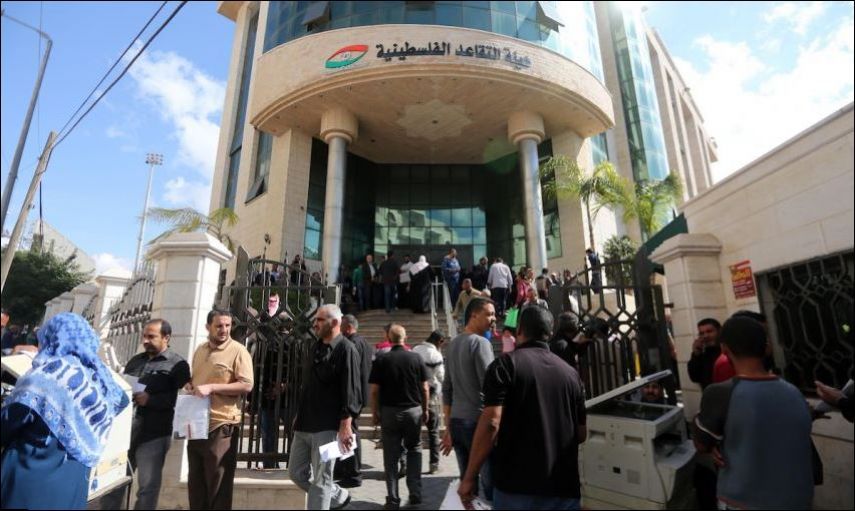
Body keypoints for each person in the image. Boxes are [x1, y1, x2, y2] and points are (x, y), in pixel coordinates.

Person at [458, 306, 587, 510]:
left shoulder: (504, 366)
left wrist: (469, 477)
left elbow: (492, 422)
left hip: (517, 488)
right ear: (550, 332)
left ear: (519, 330)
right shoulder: (572, 375)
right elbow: (580, 433)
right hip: (564, 488)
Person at [1, 313, 130, 510]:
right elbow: (122, 400)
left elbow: (8, 423)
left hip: (30, 481)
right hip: (73, 484)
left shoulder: (45, 376)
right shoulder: (98, 377)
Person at [693, 315, 813, 510]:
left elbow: (701, 444)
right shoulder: (793, 391)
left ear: (724, 349)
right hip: (797, 498)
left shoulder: (720, 393)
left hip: (744, 500)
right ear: (766, 347)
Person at [289, 304, 360, 510]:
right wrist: (299, 413)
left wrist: (346, 425)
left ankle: (327, 497)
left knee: (322, 479)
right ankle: (338, 496)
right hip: (305, 423)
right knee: (295, 473)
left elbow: (352, 391)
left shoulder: (347, 349)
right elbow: (308, 385)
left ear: (335, 322)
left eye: (320, 320)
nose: (315, 324)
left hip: (328, 427)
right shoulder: (315, 347)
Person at [186, 310, 254, 510]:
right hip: (196, 424)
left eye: (227, 325)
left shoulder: (238, 351)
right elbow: (197, 378)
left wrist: (212, 388)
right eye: (219, 326)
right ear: (208, 327)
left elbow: (246, 385)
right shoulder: (200, 350)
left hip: (221, 425)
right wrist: (190, 386)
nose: (224, 329)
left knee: (218, 487)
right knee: (196, 486)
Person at [123, 318, 191, 510]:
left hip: (154, 434)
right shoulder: (136, 361)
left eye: (151, 336)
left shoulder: (178, 365)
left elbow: (184, 399)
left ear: (166, 338)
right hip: (127, 432)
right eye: (144, 336)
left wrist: (151, 400)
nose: (145, 340)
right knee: (117, 483)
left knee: (147, 487)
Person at [441, 297, 496, 502]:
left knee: (467, 481)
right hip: (478, 422)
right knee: (490, 483)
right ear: (473, 315)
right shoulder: (481, 343)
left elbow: (447, 388)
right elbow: (490, 386)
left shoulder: (453, 344)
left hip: (457, 422)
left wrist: (448, 426)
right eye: (489, 314)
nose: (493, 319)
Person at [369, 325, 429, 510]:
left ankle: (393, 498)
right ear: (405, 337)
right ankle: (415, 491)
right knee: (414, 449)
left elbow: (374, 391)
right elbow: (425, 388)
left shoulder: (382, 359)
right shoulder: (416, 358)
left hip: (390, 412)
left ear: (388, 338)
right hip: (413, 410)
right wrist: (425, 409)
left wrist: (375, 412)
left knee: (390, 456)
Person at [336, 315, 375, 488]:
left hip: (353, 395)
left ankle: (353, 472)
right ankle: (344, 468)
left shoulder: (351, 344)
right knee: (349, 431)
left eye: (341, 325)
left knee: (350, 432)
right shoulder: (364, 342)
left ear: (348, 327)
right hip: (359, 394)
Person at [413, 330, 446, 474]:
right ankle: (434, 464)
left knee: (414, 432)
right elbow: (441, 376)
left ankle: (411, 464)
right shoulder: (435, 355)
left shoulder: (415, 350)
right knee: (433, 431)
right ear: (440, 341)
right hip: (430, 394)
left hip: (414, 394)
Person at [688, 318, 722, 390]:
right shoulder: (702, 355)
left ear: (719, 331)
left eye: (709, 331)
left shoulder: (728, 352)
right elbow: (694, 378)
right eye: (702, 333)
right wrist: (696, 354)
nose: (705, 336)